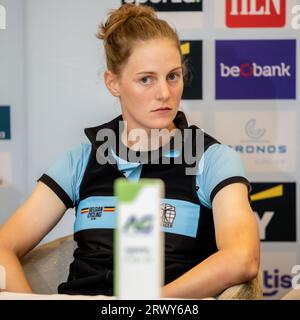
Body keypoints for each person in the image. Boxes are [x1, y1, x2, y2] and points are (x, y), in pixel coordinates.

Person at [0, 3, 260, 299]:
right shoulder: (81, 160)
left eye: (172, 76)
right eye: (146, 79)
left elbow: (243, 257)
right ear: (113, 83)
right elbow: (4, 246)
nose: (164, 92)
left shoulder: (212, 159)